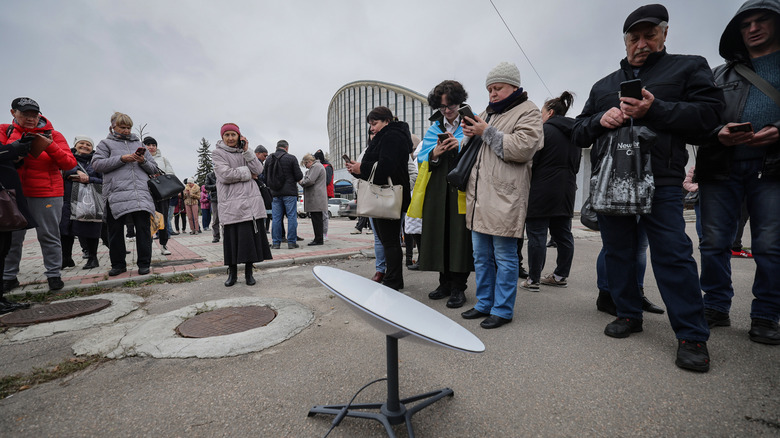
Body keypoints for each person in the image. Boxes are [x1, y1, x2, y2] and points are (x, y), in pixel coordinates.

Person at [571, 4, 725, 371]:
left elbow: (709, 118)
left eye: (649, 35)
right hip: (613, 183)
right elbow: (577, 132)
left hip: (662, 179)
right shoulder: (604, 84)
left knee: (672, 254)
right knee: (619, 251)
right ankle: (628, 313)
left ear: (664, 34)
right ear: (625, 41)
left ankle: (691, 334)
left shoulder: (688, 67)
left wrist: (653, 110)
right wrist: (598, 120)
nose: (641, 43)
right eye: (634, 37)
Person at [698, 0, 780, 345]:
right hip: (723, 165)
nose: (753, 28)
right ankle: (715, 305)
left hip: (773, 167)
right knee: (713, 241)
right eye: (746, 24)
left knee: (771, 244)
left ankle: (765, 314)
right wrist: (719, 131)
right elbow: (700, 117)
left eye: (761, 21)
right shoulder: (719, 74)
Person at [457, 62, 543, 329]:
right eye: (490, 89)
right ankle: (484, 303)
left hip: (505, 196)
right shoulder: (486, 113)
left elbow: (524, 148)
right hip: (480, 196)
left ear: (514, 86)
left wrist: (486, 132)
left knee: (505, 257)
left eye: (498, 88)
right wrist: (469, 134)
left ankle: (503, 309)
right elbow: (468, 149)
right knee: (481, 255)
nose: (492, 94)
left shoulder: (528, 111)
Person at [0, 98, 76, 292]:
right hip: (14, 194)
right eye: (25, 114)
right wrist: (15, 148)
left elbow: (69, 164)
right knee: (13, 237)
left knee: (49, 235)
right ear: (13, 113)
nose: (30, 118)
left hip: (47, 193)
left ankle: (53, 274)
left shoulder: (53, 134)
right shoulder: (5, 130)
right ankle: (9, 277)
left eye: (34, 115)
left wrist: (48, 145)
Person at [416, 80, 474, 309]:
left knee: (460, 237)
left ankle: (459, 287)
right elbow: (421, 158)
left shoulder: (472, 121)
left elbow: (480, 150)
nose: (447, 111)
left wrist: (458, 144)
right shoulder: (434, 128)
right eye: (442, 108)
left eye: (451, 106)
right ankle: (444, 283)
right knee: (440, 234)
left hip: (462, 187)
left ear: (460, 103)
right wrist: (435, 153)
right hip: (439, 189)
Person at [346, 106, 413, 291]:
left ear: (387, 121)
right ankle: (392, 279)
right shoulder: (389, 136)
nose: (372, 128)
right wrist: (358, 169)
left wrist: (362, 168)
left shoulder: (392, 136)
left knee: (390, 241)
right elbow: (375, 166)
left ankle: (393, 281)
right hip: (384, 194)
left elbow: (386, 167)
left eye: (374, 123)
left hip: (388, 195)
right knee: (387, 240)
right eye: (370, 124)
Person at [521, 91, 580, 292]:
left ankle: (534, 279)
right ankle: (560, 275)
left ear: (551, 112)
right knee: (563, 235)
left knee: (537, 234)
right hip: (567, 190)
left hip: (542, 190)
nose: (539, 115)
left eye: (541, 112)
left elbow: (532, 162)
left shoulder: (543, 131)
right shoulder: (576, 133)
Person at [91, 112, 158, 276]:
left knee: (143, 229)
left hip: (140, 193)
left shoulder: (139, 143)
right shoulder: (105, 144)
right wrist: (122, 158)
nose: (127, 130)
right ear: (113, 127)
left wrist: (142, 161)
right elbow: (97, 164)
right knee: (115, 231)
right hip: (116, 194)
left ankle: (144, 263)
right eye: (122, 127)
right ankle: (118, 264)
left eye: (128, 127)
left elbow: (154, 168)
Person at [212, 123, 272, 287]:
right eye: (227, 135)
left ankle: (248, 272)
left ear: (239, 136)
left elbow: (258, 170)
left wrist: (247, 151)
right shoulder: (218, 153)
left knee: (249, 240)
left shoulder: (246, 152)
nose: (230, 138)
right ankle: (232, 273)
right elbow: (225, 175)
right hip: (231, 204)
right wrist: (247, 173)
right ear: (222, 137)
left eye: (233, 135)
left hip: (250, 203)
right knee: (232, 240)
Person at [0, 136, 35, 313]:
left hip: (6, 199)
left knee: (3, 248)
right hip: (2, 201)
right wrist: (12, 148)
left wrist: (17, 157)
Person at [60, 136, 103, 270]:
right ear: (75, 145)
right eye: (81, 143)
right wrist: (75, 171)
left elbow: (104, 181)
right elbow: (62, 171)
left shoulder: (96, 161)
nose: (85, 146)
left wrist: (89, 179)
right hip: (67, 198)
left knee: (90, 229)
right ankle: (66, 258)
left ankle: (93, 258)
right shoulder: (66, 158)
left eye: (88, 144)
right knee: (65, 229)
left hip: (89, 200)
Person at [264, 140, 303, 249]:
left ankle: (276, 243)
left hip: (275, 193)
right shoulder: (291, 158)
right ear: (286, 148)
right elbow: (299, 176)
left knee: (276, 218)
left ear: (277, 147)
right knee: (291, 217)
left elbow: (265, 176)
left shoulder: (269, 159)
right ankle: (291, 242)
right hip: (289, 193)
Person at [143, 136, 174, 255]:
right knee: (147, 220)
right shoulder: (139, 159)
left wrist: (159, 176)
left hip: (162, 194)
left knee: (163, 219)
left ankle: (164, 245)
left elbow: (170, 174)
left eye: (153, 145)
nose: (151, 147)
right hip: (146, 194)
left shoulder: (163, 159)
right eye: (148, 145)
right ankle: (147, 245)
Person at [299, 153, 327, 246]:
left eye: (305, 164)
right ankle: (318, 238)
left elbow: (310, 180)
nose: (306, 167)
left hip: (316, 197)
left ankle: (318, 239)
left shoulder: (316, 167)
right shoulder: (318, 166)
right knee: (316, 219)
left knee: (317, 219)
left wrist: (301, 182)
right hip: (316, 197)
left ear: (309, 161)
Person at [314, 149, 334, 240]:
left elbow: (327, 180)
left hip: (325, 192)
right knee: (320, 214)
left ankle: (324, 233)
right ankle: (320, 233)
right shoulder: (320, 166)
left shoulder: (327, 166)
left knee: (324, 213)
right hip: (319, 192)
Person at [254, 145, 273, 233]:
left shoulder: (260, 163)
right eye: (264, 156)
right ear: (258, 154)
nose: (265, 158)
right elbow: (258, 176)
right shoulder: (255, 163)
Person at [204, 171, 219, 242]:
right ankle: (216, 236)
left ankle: (226, 235)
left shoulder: (223, 173)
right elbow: (206, 186)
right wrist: (216, 186)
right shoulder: (209, 175)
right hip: (214, 198)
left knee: (225, 218)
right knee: (215, 218)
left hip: (225, 197)